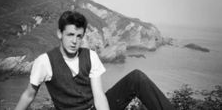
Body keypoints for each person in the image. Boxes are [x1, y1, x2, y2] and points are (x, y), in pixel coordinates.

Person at [15, 10, 175, 110]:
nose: (74, 41)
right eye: (70, 34)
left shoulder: (90, 56)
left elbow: (98, 95)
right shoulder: (44, 61)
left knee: (136, 78)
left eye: (79, 36)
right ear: (59, 34)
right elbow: (28, 95)